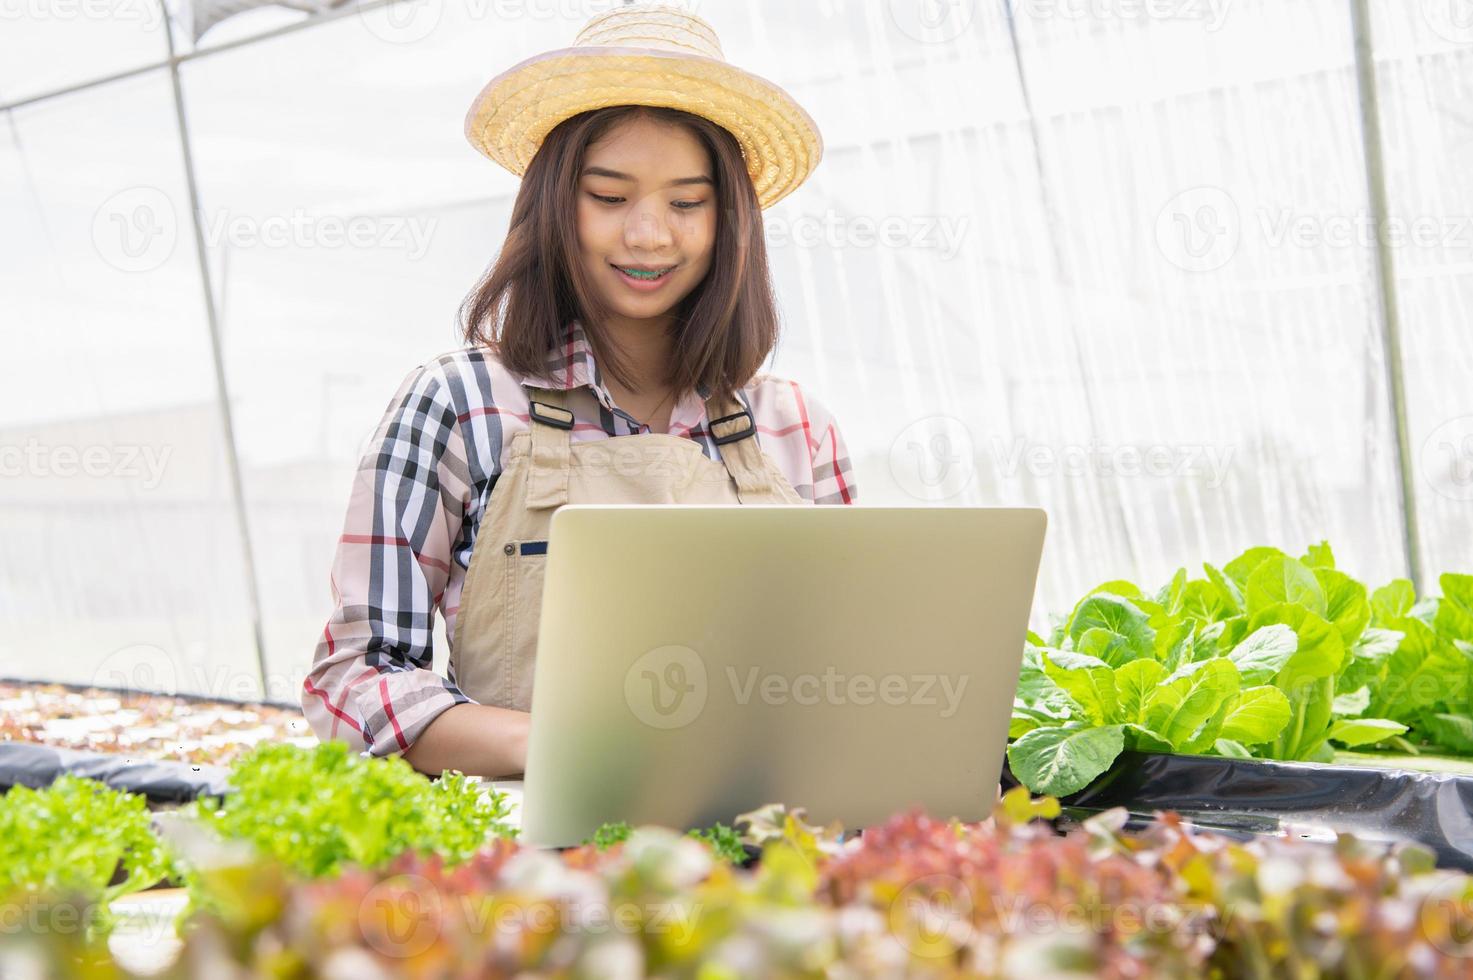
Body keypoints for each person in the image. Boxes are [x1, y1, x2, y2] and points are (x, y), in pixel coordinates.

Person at [300, 2, 858, 780]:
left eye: (686, 202)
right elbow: (356, 679)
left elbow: (847, 672)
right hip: (534, 853)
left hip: (760, 838)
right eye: (609, 196)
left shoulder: (794, 427)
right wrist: (552, 746)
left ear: (729, 220)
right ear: (556, 205)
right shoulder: (461, 404)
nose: (648, 235)